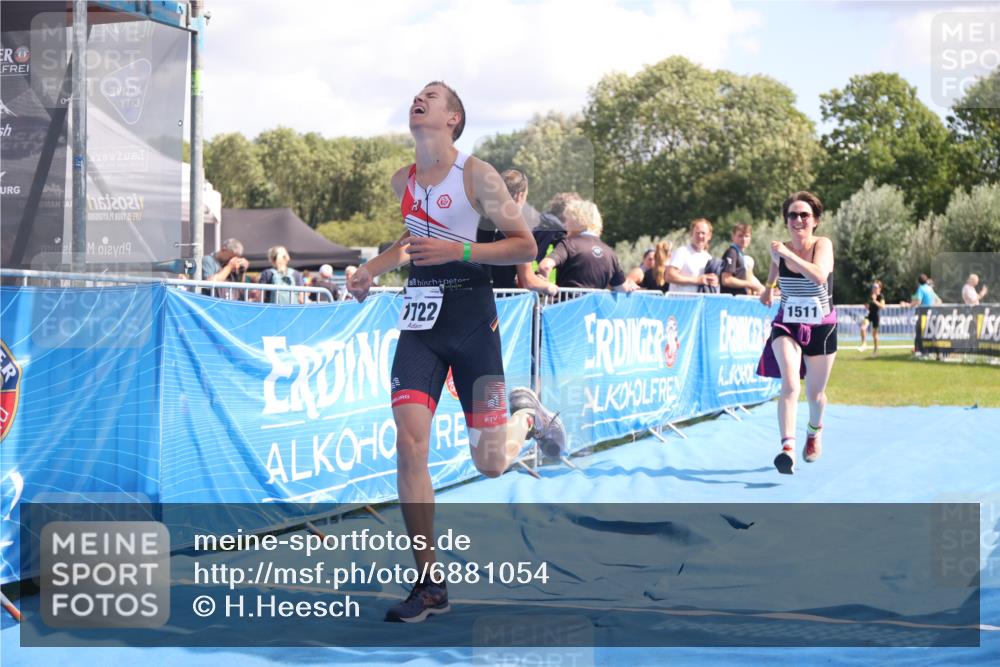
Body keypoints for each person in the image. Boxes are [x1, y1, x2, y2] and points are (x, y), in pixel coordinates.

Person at [346, 81, 565, 623]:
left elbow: (525, 245)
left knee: (489, 463)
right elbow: (410, 241)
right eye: (416, 94)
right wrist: (368, 271)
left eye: (432, 96)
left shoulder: (476, 174)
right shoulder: (404, 179)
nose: (418, 99)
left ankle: (525, 418)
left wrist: (461, 248)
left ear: (453, 119)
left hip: (472, 320)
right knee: (409, 440)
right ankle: (429, 582)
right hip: (421, 321)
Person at [757, 191, 837, 475]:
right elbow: (774, 267)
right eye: (793, 214)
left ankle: (814, 431)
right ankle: (787, 449)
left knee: (816, 395)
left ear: (815, 220)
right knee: (790, 383)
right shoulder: (779, 249)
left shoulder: (822, 245)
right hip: (787, 323)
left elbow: (819, 274)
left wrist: (788, 253)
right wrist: (768, 288)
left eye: (805, 215)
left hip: (822, 327)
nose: (798, 219)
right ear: (786, 220)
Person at [481, 169, 559, 296]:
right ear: (520, 196)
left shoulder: (480, 219)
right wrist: (549, 287)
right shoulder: (516, 228)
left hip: (472, 297)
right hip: (505, 304)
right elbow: (528, 281)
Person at [535, 200, 637, 292]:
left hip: (568, 309)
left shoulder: (568, 244)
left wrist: (546, 289)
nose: (565, 225)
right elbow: (622, 288)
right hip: (595, 311)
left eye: (567, 220)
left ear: (577, 220)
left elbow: (545, 266)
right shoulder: (610, 252)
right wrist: (631, 285)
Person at [666, 219, 717, 293]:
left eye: (703, 233)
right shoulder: (682, 252)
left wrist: (714, 281)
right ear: (691, 234)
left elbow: (706, 281)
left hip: (698, 302)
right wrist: (697, 280)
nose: (700, 236)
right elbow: (669, 276)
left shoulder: (708, 257)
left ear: (709, 236)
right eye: (697, 233)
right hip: (680, 302)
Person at [720, 223, 764, 296]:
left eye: (746, 236)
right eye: (740, 236)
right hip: (732, 301)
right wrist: (751, 284)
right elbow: (726, 280)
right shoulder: (732, 252)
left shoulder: (739, 253)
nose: (743, 239)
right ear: (733, 236)